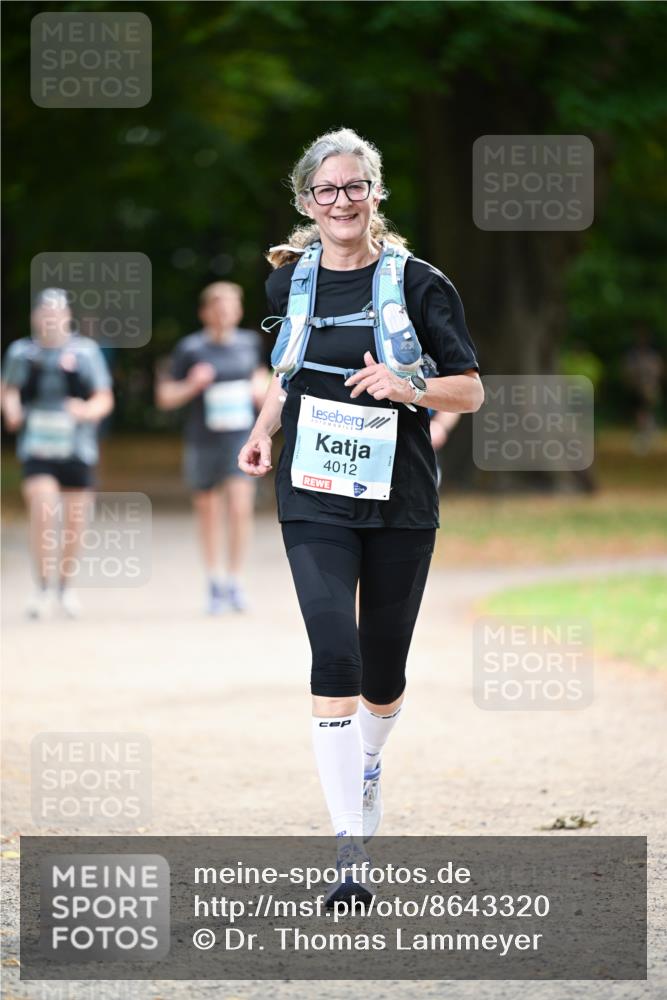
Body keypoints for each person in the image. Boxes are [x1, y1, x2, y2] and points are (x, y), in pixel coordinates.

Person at [238, 128, 483, 906]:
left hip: (400, 497)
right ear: (306, 202)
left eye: (353, 188)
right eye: (325, 191)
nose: (339, 202)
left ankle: (370, 759)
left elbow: (468, 390)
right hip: (312, 492)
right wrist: (260, 431)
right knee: (334, 658)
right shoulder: (288, 285)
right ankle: (350, 852)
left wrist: (406, 385)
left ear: (374, 195)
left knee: (382, 674)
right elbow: (288, 374)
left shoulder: (419, 283)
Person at [156, 281, 270, 613]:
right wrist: (192, 384)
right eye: (218, 306)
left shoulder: (249, 344)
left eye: (231, 306)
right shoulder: (190, 349)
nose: (225, 312)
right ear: (205, 312)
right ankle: (214, 580)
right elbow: (165, 397)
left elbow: (264, 383)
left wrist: (258, 389)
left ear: (239, 310)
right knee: (208, 511)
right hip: (202, 440)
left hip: (239, 439)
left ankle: (235, 580)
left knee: (239, 507)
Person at [1, 288, 114, 619]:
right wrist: (12, 410)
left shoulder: (86, 352)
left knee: (74, 524)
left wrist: (87, 411)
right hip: (37, 446)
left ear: (67, 317)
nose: (50, 319)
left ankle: (64, 587)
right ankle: (41, 586)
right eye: (44, 313)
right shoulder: (22, 352)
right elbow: (9, 388)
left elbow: (103, 396)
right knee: (43, 509)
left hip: (77, 449)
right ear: (36, 317)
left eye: (57, 313)